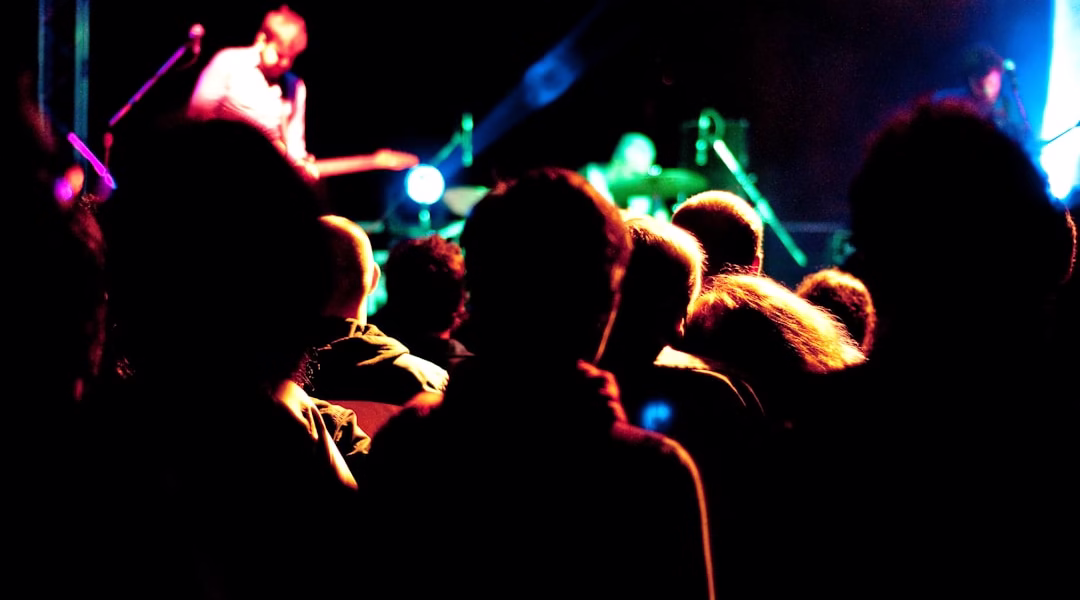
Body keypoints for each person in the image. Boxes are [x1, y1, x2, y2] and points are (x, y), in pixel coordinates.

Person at [188, 5, 319, 181]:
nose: (285, 64)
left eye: (292, 57)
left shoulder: (295, 86)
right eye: (280, 55)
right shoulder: (229, 61)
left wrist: (302, 165)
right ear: (262, 39)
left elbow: (294, 146)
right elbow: (197, 116)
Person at [933, 43, 1033, 152]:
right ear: (968, 80)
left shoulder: (1008, 107)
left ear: (1000, 78)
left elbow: (1026, 141)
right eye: (979, 85)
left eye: (991, 84)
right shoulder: (947, 102)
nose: (986, 91)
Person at [583, 132, 666, 219]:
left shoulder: (639, 198)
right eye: (633, 174)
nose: (635, 181)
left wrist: (657, 202)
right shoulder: (590, 177)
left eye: (639, 177)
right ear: (617, 160)